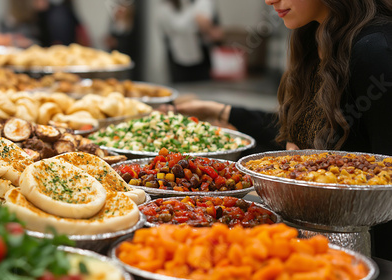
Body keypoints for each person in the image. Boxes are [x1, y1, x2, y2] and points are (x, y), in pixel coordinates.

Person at [166, 0, 392, 260]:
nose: (269, 0)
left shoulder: (375, 51)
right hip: (315, 244)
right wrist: (220, 111)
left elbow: (383, 177)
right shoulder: (314, 34)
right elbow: (298, 131)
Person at [157, 0, 223, 83]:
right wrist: (196, 16)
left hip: (202, 57)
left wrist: (208, 29)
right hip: (177, 58)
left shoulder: (202, 3)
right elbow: (178, 26)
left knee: (204, 88)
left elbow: (216, 32)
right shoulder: (165, 6)